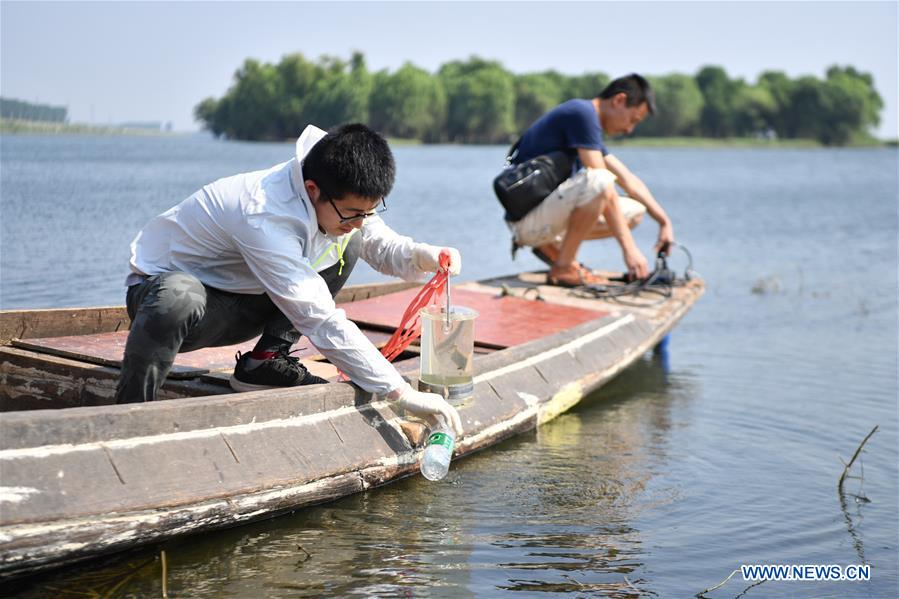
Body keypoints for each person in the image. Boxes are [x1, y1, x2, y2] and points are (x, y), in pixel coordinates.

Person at [115, 123, 463, 435]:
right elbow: (321, 320)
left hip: (245, 297)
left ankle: (265, 362)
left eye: (368, 211)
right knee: (179, 295)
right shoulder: (265, 214)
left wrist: (424, 256)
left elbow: (378, 241)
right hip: (173, 306)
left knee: (351, 241)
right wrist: (401, 394)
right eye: (353, 213)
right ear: (313, 190)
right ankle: (130, 417)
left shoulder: (336, 188)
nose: (360, 220)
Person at [506, 73, 675, 287]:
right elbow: (603, 184)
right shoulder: (582, 113)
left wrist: (664, 221)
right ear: (619, 100)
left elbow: (628, 180)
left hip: (543, 218)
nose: (629, 129)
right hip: (527, 222)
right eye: (633, 119)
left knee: (635, 211)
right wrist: (630, 250)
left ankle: (556, 250)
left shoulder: (588, 126)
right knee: (599, 181)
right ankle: (564, 266)